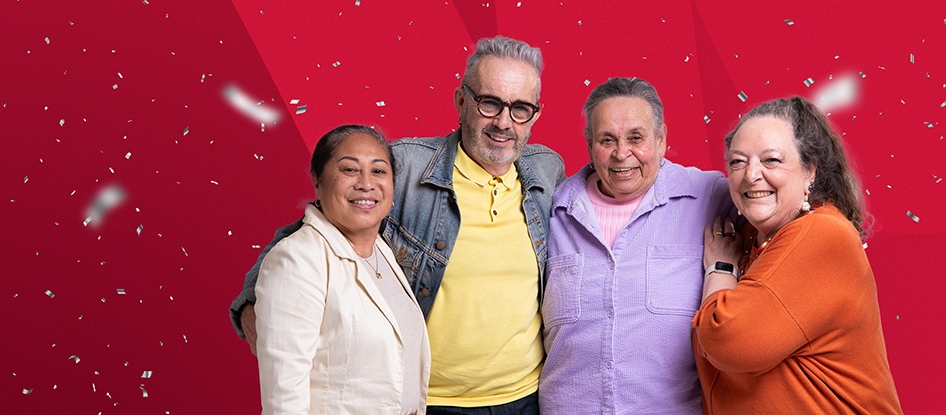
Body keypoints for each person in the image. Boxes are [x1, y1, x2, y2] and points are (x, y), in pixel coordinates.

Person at [230, 36, 564, 414]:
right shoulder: (406, 167)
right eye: (489, 103)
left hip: (527, 399)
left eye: (520, 109)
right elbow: (311, 229)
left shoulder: (544, 171)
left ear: (535, 115)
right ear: (461, 101)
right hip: (428, 401)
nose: (504, 123)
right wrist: (252, 305)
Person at [692, 96, 903, 414]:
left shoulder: (820, 234)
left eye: (772, 160)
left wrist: (720, 269)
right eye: (737, 162)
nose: (751, 175)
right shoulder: (752, 240)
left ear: (810, 172)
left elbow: (728, 344)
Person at [540, 77, 733, 414]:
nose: (621, 153)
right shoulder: (551, 211)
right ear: (589, 145)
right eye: (607, 140)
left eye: (636, 138)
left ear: (661, 140)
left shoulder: (710, 196)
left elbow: (782, 222)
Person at [255, 125, 430, 414]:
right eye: (349, 169)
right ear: (317, 181)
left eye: (378, 171)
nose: (366, 184)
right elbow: (283, 400)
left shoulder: (382, 252)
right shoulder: (296, 259)